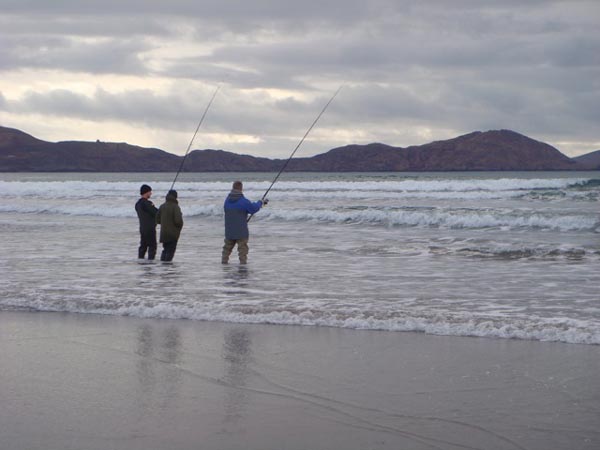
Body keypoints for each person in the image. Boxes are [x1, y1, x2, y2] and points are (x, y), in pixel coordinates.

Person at [222, 181, 268, 264]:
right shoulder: (243, 201)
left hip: (229, 231)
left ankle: (224, 266)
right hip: (241, 232)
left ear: (233, 188)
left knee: (226, 251)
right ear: (241, 189)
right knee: (242, 253)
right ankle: (243, 269)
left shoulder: (227, 201)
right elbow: (253, 209)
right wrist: (260, 202)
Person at [156, 189, 184, 262]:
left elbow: (157, 220)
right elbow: (178, 221)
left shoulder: (162, 206)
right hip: (173, 234)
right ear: (175, 197)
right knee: (170, 252)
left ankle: (163, 265)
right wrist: (179, 226)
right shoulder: (175, 207)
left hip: (164, 234)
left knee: (165, 250)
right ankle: (167, 268)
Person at [135, 184, 158, 260]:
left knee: (143, 246)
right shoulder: (147, 203)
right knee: (152, 247)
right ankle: (150, 263)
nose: (151, 193)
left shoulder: (137, 204)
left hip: (142, 228)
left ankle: (141, 261)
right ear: (146, 192)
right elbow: (156, 212)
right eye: (150, 192)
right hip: (150, 228)